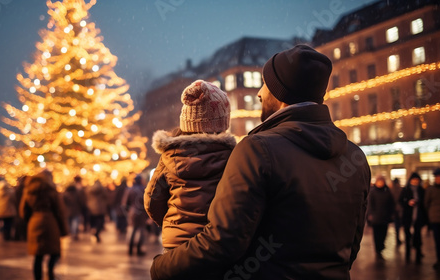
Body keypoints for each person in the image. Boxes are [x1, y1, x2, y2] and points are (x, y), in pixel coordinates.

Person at [150, 44, 371, 279]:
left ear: (280, 92)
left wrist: (161, 267)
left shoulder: (258, 149)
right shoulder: (355, 157)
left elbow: (223, 242)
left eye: (265, 84)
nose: (259, 93)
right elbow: (351, 247)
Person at [145, 80, 235, 252]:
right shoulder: (232, 156)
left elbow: (151, 200)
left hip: (176, 247)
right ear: (223, 123)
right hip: (217, 246)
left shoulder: (169, 156)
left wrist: (173, 223)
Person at [20, 170, 68, 280]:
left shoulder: (28, 190)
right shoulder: (51, 190)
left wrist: (31, 220)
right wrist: (63, 229)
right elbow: (59, 210)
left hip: (34, 222)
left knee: (38, 255)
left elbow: (23, 211)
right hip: (50, 223)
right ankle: (50, 272)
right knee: (55, 252)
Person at [399, 172, 428, 264]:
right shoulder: (406, 189)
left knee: (418, 236)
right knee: (407, 236)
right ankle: (407, 255)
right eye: (413, 180)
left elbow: (425, 202)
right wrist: (408, 202)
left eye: (417, 180)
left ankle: (418, 255)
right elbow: (400, 200)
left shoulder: (421, 190)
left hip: (418, 216)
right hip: (408, 216)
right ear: (410, 180)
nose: (415, 181)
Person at [367, 175, 395, 260]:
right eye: (379, 181)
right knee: (376, 234)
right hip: (376, 217)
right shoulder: (372, 191)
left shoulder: (387, 191)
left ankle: (381, 245)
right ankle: (378, 249)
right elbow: (370, 204)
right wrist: (370, 214)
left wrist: (391, 213)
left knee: (384, 233)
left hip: (385, 216)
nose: (380, 183)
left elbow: (391, 203)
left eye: (381, 181)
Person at [126, 175, 148, 256]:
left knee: (133, 230)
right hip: (142, 212)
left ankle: (130, 248)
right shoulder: (144, 189)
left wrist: (129, 211)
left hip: (133, 212)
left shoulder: (130, 190)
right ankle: (138, 248)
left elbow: (125, 203)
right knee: (141, 230)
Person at [425, 167, 440, 269]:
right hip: (435, 219)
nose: (439, 179)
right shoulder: (430, 189)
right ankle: (439, 259)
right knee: (438, 241)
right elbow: (426, 203)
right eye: (437, 177)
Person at [389, 177, 403, 246]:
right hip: (399, 209)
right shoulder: (400, 189)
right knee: (398, 225)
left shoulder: (391, 189)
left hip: (394, 209)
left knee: (397, 225)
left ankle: (397, 238)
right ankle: (398, 238)